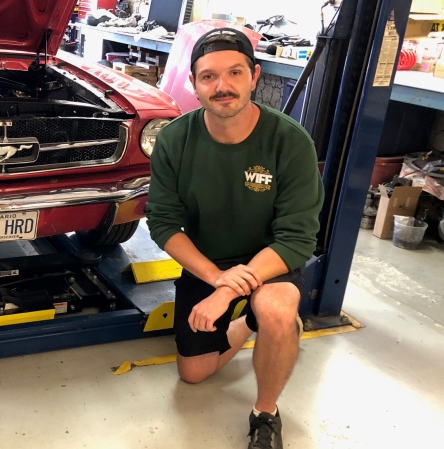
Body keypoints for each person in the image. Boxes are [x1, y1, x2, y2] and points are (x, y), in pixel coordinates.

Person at [145, 27, 324, 449]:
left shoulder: (290, 142)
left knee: (278, 308)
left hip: (271, 260)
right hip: (209, 263)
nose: (222, 86)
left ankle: (265, 413)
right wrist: (218, 281)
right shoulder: (174, 139)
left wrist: (226, 293)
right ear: (193, 83)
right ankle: (250, 320)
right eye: (208, 76)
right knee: (194, 374)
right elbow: (164, 224)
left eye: (234, 73)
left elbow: (297, 238)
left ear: (254, 76)